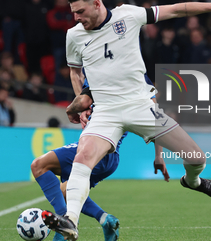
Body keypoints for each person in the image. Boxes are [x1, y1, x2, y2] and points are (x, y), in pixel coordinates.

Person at [42, 0, 211, 240]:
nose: (76, 18)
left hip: (141, 106)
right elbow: (75, 71)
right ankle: (70, 221)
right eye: (73, 12)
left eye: (81, 11)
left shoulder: (128, 16)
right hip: (105, 110)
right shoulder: (73, 35)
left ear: (97, 4)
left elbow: (176, 9)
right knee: (82, 158)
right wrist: (83, 102)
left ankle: (192, 182)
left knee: (197, 159)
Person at [38, 79, 168, 241]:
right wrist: (158, 156)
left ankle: (64, 222)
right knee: (65, 191)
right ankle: (105, 219)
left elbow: (80, 92)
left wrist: (73, 109)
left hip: (95, 149)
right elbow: (158, 120)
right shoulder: (131, 81)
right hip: (110, 158)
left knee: (39, 165)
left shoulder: (103, 73)